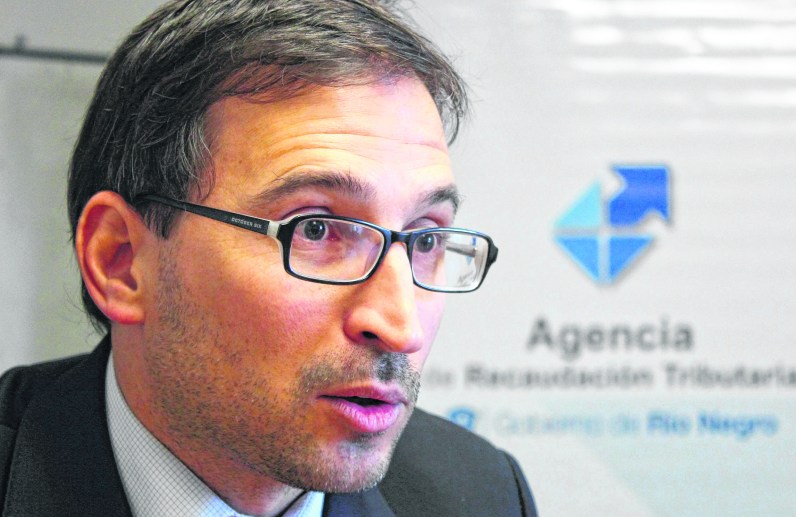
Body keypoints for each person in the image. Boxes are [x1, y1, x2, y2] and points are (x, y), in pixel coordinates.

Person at [0, 1, 536, 515]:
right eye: (316, 230)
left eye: (424, 240)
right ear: (120, 260)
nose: (401, 328)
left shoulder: (481, 493)